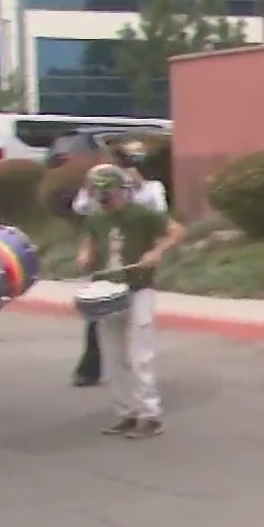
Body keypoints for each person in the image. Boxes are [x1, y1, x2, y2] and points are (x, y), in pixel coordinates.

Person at [78, 163, 182, 438]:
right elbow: (90, 240)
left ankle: (150, 415)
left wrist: (157, 251)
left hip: (138, 289)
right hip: (106, 289)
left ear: (121, 190)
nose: (105, 200)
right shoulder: (95, 218)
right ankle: (126, 413)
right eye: (100, 195)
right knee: (114, 357)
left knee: (141, 355)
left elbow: (176, 231)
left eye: (109, 194)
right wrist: (85, 254)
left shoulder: (142, 214)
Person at [72, 139, 168, 388]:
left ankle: (144, 394)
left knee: (137, 334)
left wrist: (136, 186)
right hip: (106, 265)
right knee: (100, 318)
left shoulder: (148, 188)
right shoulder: (97, 187)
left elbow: (159, 212)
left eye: (120, 163)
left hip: (134, 267)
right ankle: (91, 370)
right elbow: (82, 209)